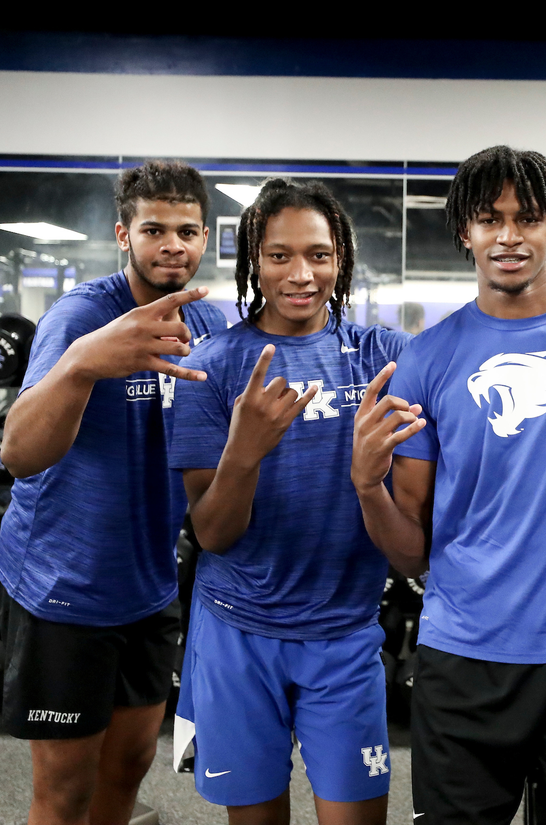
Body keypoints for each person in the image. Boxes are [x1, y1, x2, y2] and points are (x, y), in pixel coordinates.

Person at [351, 145, 546, 824]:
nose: (507, 236)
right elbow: (412, 552)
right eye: (488, 219)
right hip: (465, 655)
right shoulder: (426, 361)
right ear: (464, 231)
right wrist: (366, 484)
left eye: (526, 218)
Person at [0, 159, 228, 825]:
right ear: (123, 234)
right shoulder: (79, 318)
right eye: (153, 228)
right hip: (62, 584)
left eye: (186, 230)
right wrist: (81, 365)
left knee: (127, 765)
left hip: (147, 583)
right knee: (65, 791)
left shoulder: (205, 324)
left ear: (206, 237)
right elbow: (18, 453)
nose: (172, 244)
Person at [168, 179, 406, 825]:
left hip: (344, 631)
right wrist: (244, 450)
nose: (301, 273)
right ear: (253, 261)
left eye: (319, 254)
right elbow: (212, 533)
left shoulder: (384, 357)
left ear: (341, 260)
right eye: (279, 255)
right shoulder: (212, 367)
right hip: (238, 630)